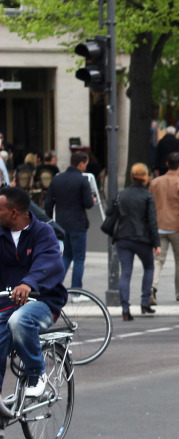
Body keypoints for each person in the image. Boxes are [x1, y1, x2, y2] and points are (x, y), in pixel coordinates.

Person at [0, 185, 65, 403]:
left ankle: (37, 374)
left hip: (43, 301)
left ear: (13, 212)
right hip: (6, 303)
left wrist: (28, 283)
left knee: (20, 320)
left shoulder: (43, 232)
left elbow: (49, 261)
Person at [109, 163, 161, 320]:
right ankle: (145, 303)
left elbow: (110, 212)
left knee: (126, 272)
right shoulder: (147, 196)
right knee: (149, 267)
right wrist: (156, 243)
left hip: (123, 238)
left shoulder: (122, 194)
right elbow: (152, 221)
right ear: (145, 177)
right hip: (142, 238)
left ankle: (125, 308)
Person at [43, 150, 96, 296]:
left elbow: (48, 203)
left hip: (61, 223)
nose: (86, 167)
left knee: (66, 255)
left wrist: (49, 221)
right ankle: (77, 291)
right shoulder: (82, 180)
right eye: (85, 164)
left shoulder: (57, 179)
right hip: (78, 223)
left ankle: (55, 286)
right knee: (79, 258)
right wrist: (93, 200)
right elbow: (88, 204)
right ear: (80, 164)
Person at [151, 151, 179, 303]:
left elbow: (151, 206)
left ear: (167, 164)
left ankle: (152, 287)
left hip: (159, 225)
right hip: (177, 227)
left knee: (158, 259)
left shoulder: (155, 183)